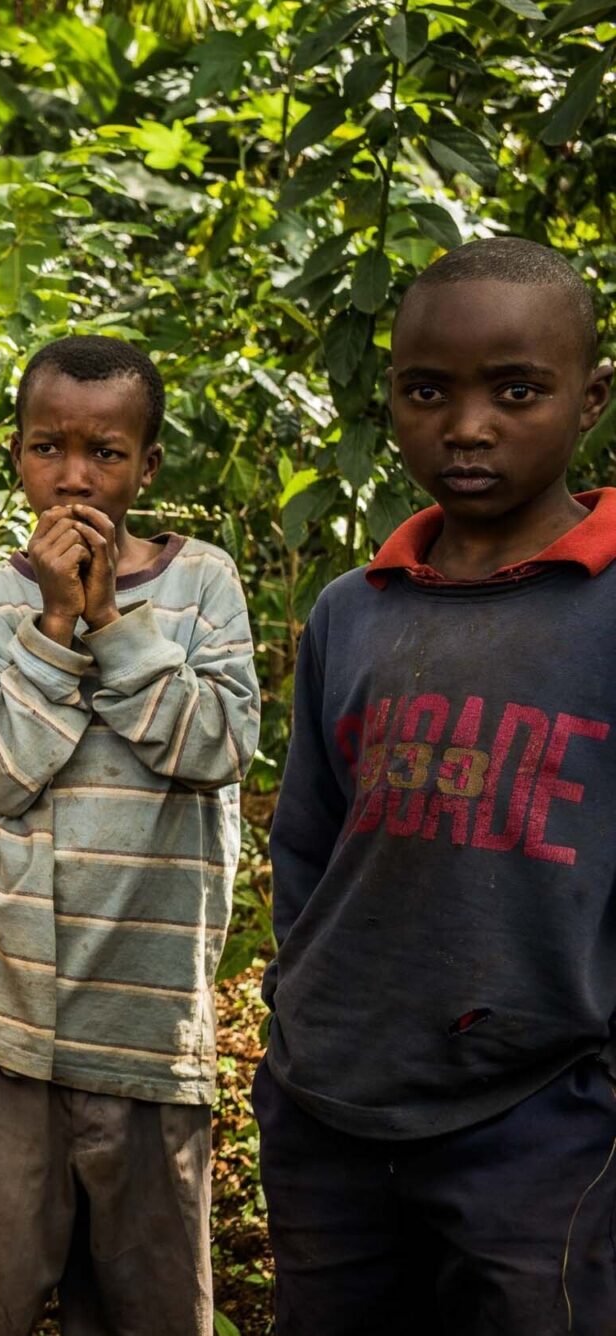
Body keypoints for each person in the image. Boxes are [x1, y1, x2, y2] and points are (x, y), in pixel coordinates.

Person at [260, 237, 616, 1334]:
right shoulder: (350, 611)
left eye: (514, 391)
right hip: (329, 1104)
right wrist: (294, 1023)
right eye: (427, 392)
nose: (465, 426)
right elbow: (307, 847)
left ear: (590, 398)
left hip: (540, 1120)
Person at [0, 335, 259, 1334]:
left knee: (145, 1308)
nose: (73, 475)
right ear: (15, 456)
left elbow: (213, 746)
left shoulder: (203, 588)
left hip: (148, 1035)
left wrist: (110, 620)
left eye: (105, 453)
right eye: (46, 447)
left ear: (146, 466)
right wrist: (52, 630)